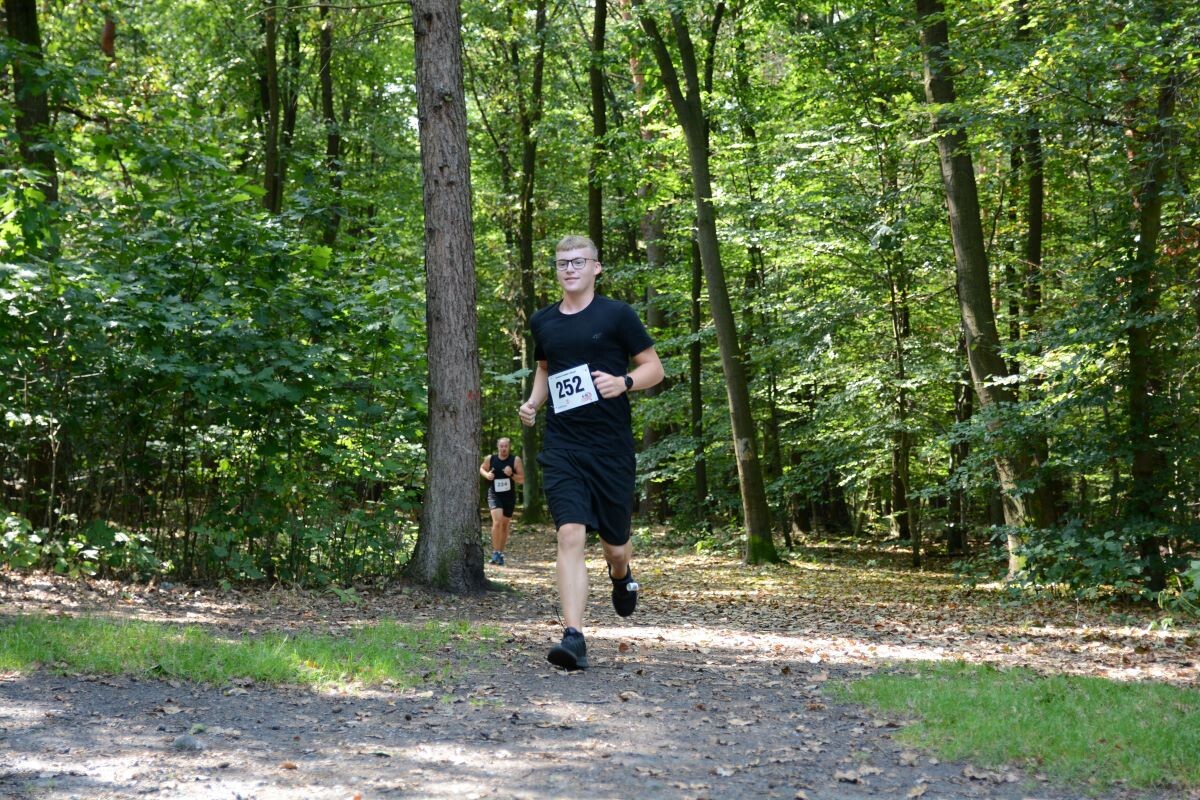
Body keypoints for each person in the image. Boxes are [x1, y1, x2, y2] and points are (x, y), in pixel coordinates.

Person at [518, 234, 664, 670]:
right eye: (562, 262)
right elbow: (546, 370)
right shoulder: (543, 322)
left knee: (615, 547)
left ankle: (621, 576)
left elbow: (653, 367)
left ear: (596, 267)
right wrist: (532, 402)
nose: (569, 269)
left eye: (578, 262)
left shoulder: (617, 315)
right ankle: (574, 636)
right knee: (569, 534)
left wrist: (625, 383)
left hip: (611, 449)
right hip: (563, 445)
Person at [479, 437, 524, 565]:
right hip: (494, 494)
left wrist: (511, 474)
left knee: (504, 525)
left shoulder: (515, 460)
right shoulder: (491, 459)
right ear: (498, 447)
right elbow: (482, 468)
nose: (503, 449)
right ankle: (495, 553)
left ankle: (500, 553)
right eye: (501, 446)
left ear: (509, 447)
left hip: (509, 497)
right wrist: (487, 475)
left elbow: (522, 479)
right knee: (497, 522)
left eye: (506, 446)